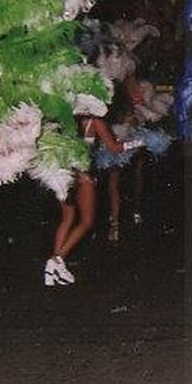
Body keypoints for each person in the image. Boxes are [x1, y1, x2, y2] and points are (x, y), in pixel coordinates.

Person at [44, 113, 125, 286]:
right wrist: (141, 141)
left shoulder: (62, 118)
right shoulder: (95, 122)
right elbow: (114, 148)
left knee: (67, 219)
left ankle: (54, 268)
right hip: (84, 176)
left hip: (62, 175)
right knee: (87, 221)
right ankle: (57, 259)